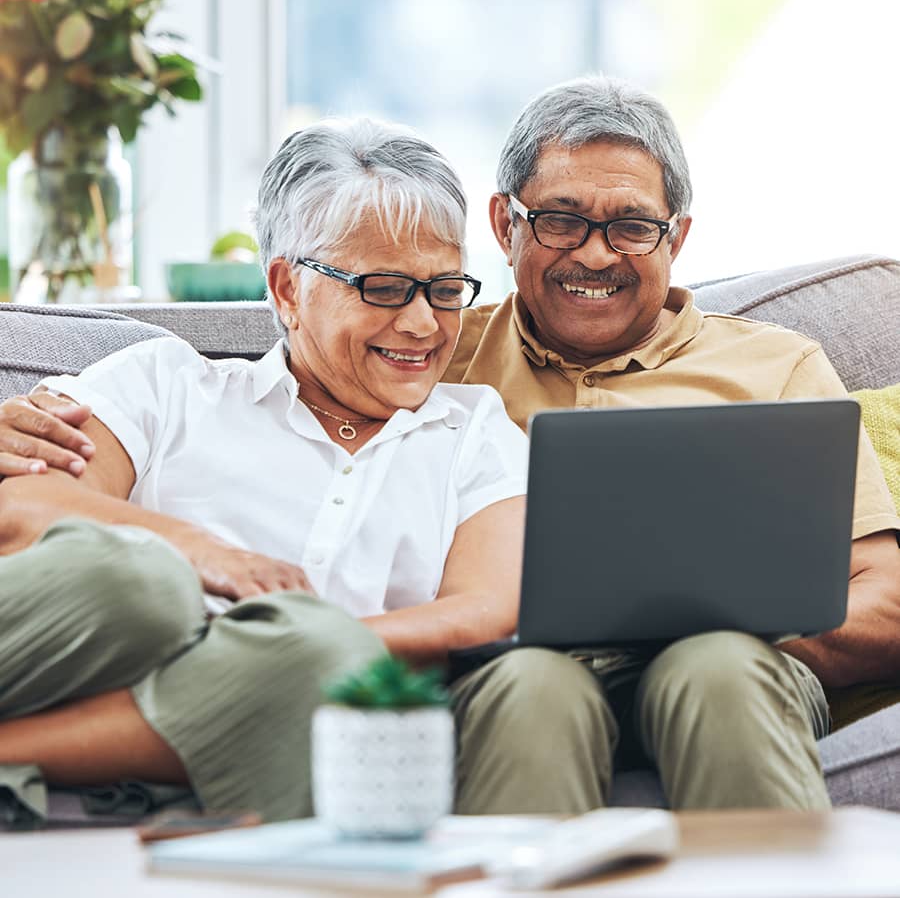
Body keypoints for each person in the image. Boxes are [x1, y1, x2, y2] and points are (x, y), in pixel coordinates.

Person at [4, 76, 899, 813]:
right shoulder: (423, 357)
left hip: (728, 662)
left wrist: (717, 616)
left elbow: (886, 604)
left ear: (678, 237)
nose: (595, 254)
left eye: (631, 225)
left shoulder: (763, 367)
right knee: (531, 685)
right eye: (561, 220)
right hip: (525, 673)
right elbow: (38, 499)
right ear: (507, 227)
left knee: (714, 669)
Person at [0, 117, 528, 822]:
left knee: (322, 658)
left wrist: (289, 641)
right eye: (384, 288)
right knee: (141, 579)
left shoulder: (475, 431)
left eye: (444, 289)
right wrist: (205, 555)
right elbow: (28, 512)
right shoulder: (164, 382)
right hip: (89, 646)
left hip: (283, 694)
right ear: (287, 288)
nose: (423, 324)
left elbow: (483, 610)